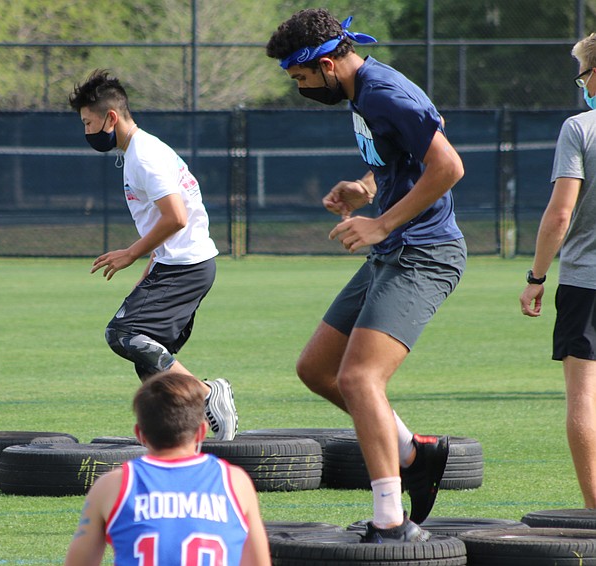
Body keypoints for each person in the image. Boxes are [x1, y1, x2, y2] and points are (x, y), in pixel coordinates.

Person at [265, 9, 467, 542]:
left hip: (426, 252)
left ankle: (390, 519)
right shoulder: (363, 92)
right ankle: (412, 454)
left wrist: (380, 222)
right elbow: (404, 163)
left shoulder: (384, 92)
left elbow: (448, 167)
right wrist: (364, 187)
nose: (301, 88)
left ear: (328, 65)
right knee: (316, 368)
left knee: (359, 378)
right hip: (393, 249)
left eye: (301, 78)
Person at [68, 70, 238, 441]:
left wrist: (131, 253)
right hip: (178, 263)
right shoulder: (139, 152)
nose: (86, 132)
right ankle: (187, 434)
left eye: (88, 122)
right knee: (151, 363)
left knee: (124, 333)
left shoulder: (145, 156)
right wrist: (150, 264)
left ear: (110, 118)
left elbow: (176, 217)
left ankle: (208, 394)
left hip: (185, 266)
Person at [64, 371, 270, 566]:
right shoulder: (235, 481)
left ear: (139, 434)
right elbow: (259, 562)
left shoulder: (113, 485)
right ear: (201, 431)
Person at [520, 33, 596, 509]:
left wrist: (536, 277)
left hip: (586, 283)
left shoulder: (580, 128)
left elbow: (559, 214)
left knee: (583, 396)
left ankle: (594, 511)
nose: (582, 85)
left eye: (583, 75)